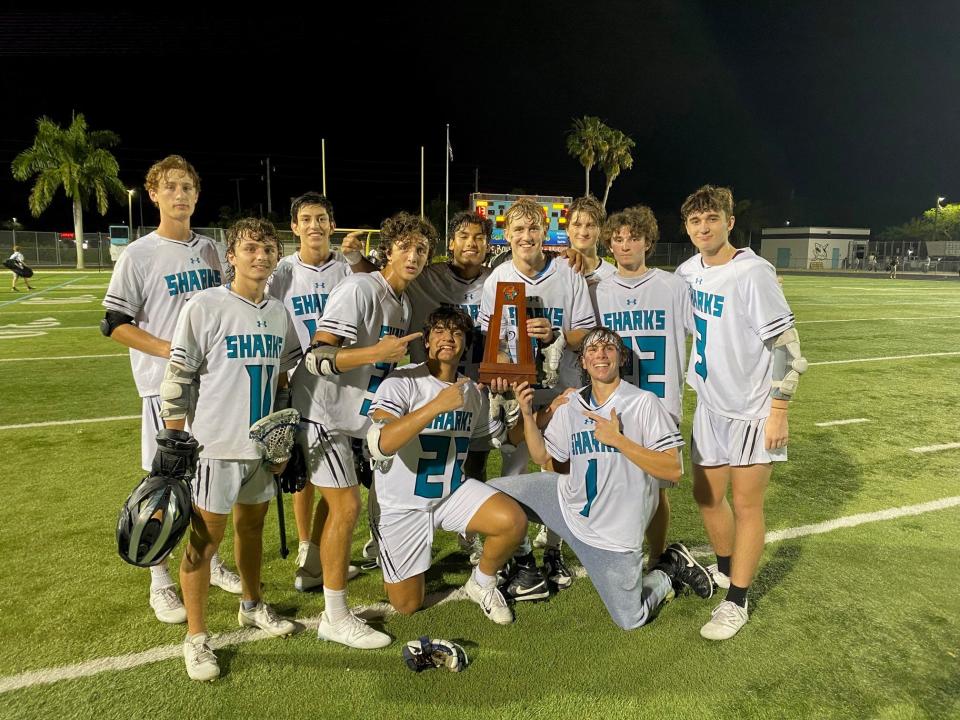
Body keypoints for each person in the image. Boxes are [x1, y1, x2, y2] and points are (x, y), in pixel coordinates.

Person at [488, 327, 714, 630]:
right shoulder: (573, 404)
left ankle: (669, 568)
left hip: (613, 537)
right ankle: (522, 566)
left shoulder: (643, 402)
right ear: (583, 362)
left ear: (620, 357)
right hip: (566, 504)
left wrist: (619, 441)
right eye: (592, 350)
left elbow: (673, 469)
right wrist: (529, 415)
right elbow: (543, 457)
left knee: (631, 619)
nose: (600, 354)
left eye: (608, 348)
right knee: (488, 495)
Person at [101, 155, 242, 625]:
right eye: (171, 187)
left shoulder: (212, 251)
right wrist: (172, 349)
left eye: (188, 187)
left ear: (197, 196)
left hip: (215, 385)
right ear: (154, 194)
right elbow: (115, 324)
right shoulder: (139, 254)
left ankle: (210, 560)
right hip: (165, 387)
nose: (180, 195)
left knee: (210, 478)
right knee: (164, 481)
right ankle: (159, 579)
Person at [160, 218, 302, 681]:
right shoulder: (206, 305)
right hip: (216, 446)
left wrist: (281, 440)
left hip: (260, 447)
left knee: (252, 532)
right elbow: (179, 376)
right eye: (250, 249)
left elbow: (282, 382)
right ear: (231, 256)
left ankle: (251, 603)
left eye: (268, 249)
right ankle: (196, 637)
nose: (260, 257)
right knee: (204, 544)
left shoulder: (280, 312)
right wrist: (175, 438)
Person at [291, 211, 434, 649]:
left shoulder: (402, 301)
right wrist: (378, 350)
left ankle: (313, 569)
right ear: (387, 249)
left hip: (353, 415)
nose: (413, 255)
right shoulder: (359, 288)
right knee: (347, 505)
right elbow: (318, 355)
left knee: (338, 498)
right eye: (405, 246)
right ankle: (334, 615)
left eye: (422, 250)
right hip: (323, 410)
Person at [675, 185, 806, 640]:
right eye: (695, 221)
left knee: (747, 505)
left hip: (751, 410)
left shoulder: (752, 272)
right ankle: (727, 570)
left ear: (729, 222)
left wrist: (779, 410)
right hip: (710, 404)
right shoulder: (687, 270)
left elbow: (787, 349)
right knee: (707, 497)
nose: (703, 227)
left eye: (712, 219)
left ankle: (737, 602)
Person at [367, 307, 527, 624]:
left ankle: (481, 583)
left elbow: (504, 439)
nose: (447, 338)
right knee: (408, 604)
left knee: (512, 521)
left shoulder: (470, 391)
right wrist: (436, 405)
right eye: (439, 331)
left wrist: (522, 407)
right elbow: (381, 443)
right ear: (427, 341)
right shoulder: (401, 381)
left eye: (456, 333)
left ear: (465, 344)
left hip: (450, 493)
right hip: (401, 504)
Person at [479, 198, 595, 601]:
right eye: (518, 230)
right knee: (514, 469)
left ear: (545, 232)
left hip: (561, 386)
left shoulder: (567, 272)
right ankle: (523, 554)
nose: (526, 237)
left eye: (533, 229)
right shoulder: (497, 278)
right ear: (506, 235)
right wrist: (499, 373)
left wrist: (555, 332)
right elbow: (488, 338)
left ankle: (553, 550)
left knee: (561, 470)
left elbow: (585, 333)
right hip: (518, 392)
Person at [267, 191, 371, 592]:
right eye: (306, 219)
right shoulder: (281, 273)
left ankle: (318, 553)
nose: (314, 225)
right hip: (298, 376)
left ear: (331, 224)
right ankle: (308, 547)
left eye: (321, 218)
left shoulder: (347, 271)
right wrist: (280, 379)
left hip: (342, 380)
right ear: (294, 227)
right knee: (304, 471)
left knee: (332, 472)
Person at [595, 204, 690, 562]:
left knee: (656, 488)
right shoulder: (601, 291)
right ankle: (622, 550)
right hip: (619, 403)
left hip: (661, 402)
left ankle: (657, 553)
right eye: (617, 239)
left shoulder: (673, 286)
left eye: (633, 238)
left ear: (648, 241)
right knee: (620, 483)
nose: (624, 245)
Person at [403, 211, 494, 564]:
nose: (471, 243)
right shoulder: (425, 275)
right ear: (451, 242)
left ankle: (467, 531)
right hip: (428, 386)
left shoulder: (498, 278)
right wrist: (354, 258)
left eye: (479, 238)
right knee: (418, 463)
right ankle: (402, 526)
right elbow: (388, 272)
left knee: (476, 460)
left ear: (488, 245)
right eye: (464, 236)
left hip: (475, 388)